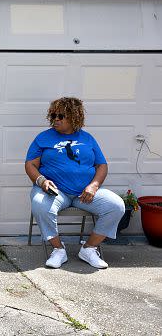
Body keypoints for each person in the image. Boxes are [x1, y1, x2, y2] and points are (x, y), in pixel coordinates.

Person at [24, 97, 124, 269]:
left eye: (61, 116)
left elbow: (102, 165)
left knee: (116, 206)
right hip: (56, 192)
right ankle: (58, 250)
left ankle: (89, 248)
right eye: (53, 115)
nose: (56, 119)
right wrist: (41, 181)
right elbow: (31, 165)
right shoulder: (43, 138)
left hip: (84, 193)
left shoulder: (88, 139)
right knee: (40, 204)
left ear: (74, 117)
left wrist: (93, 186)